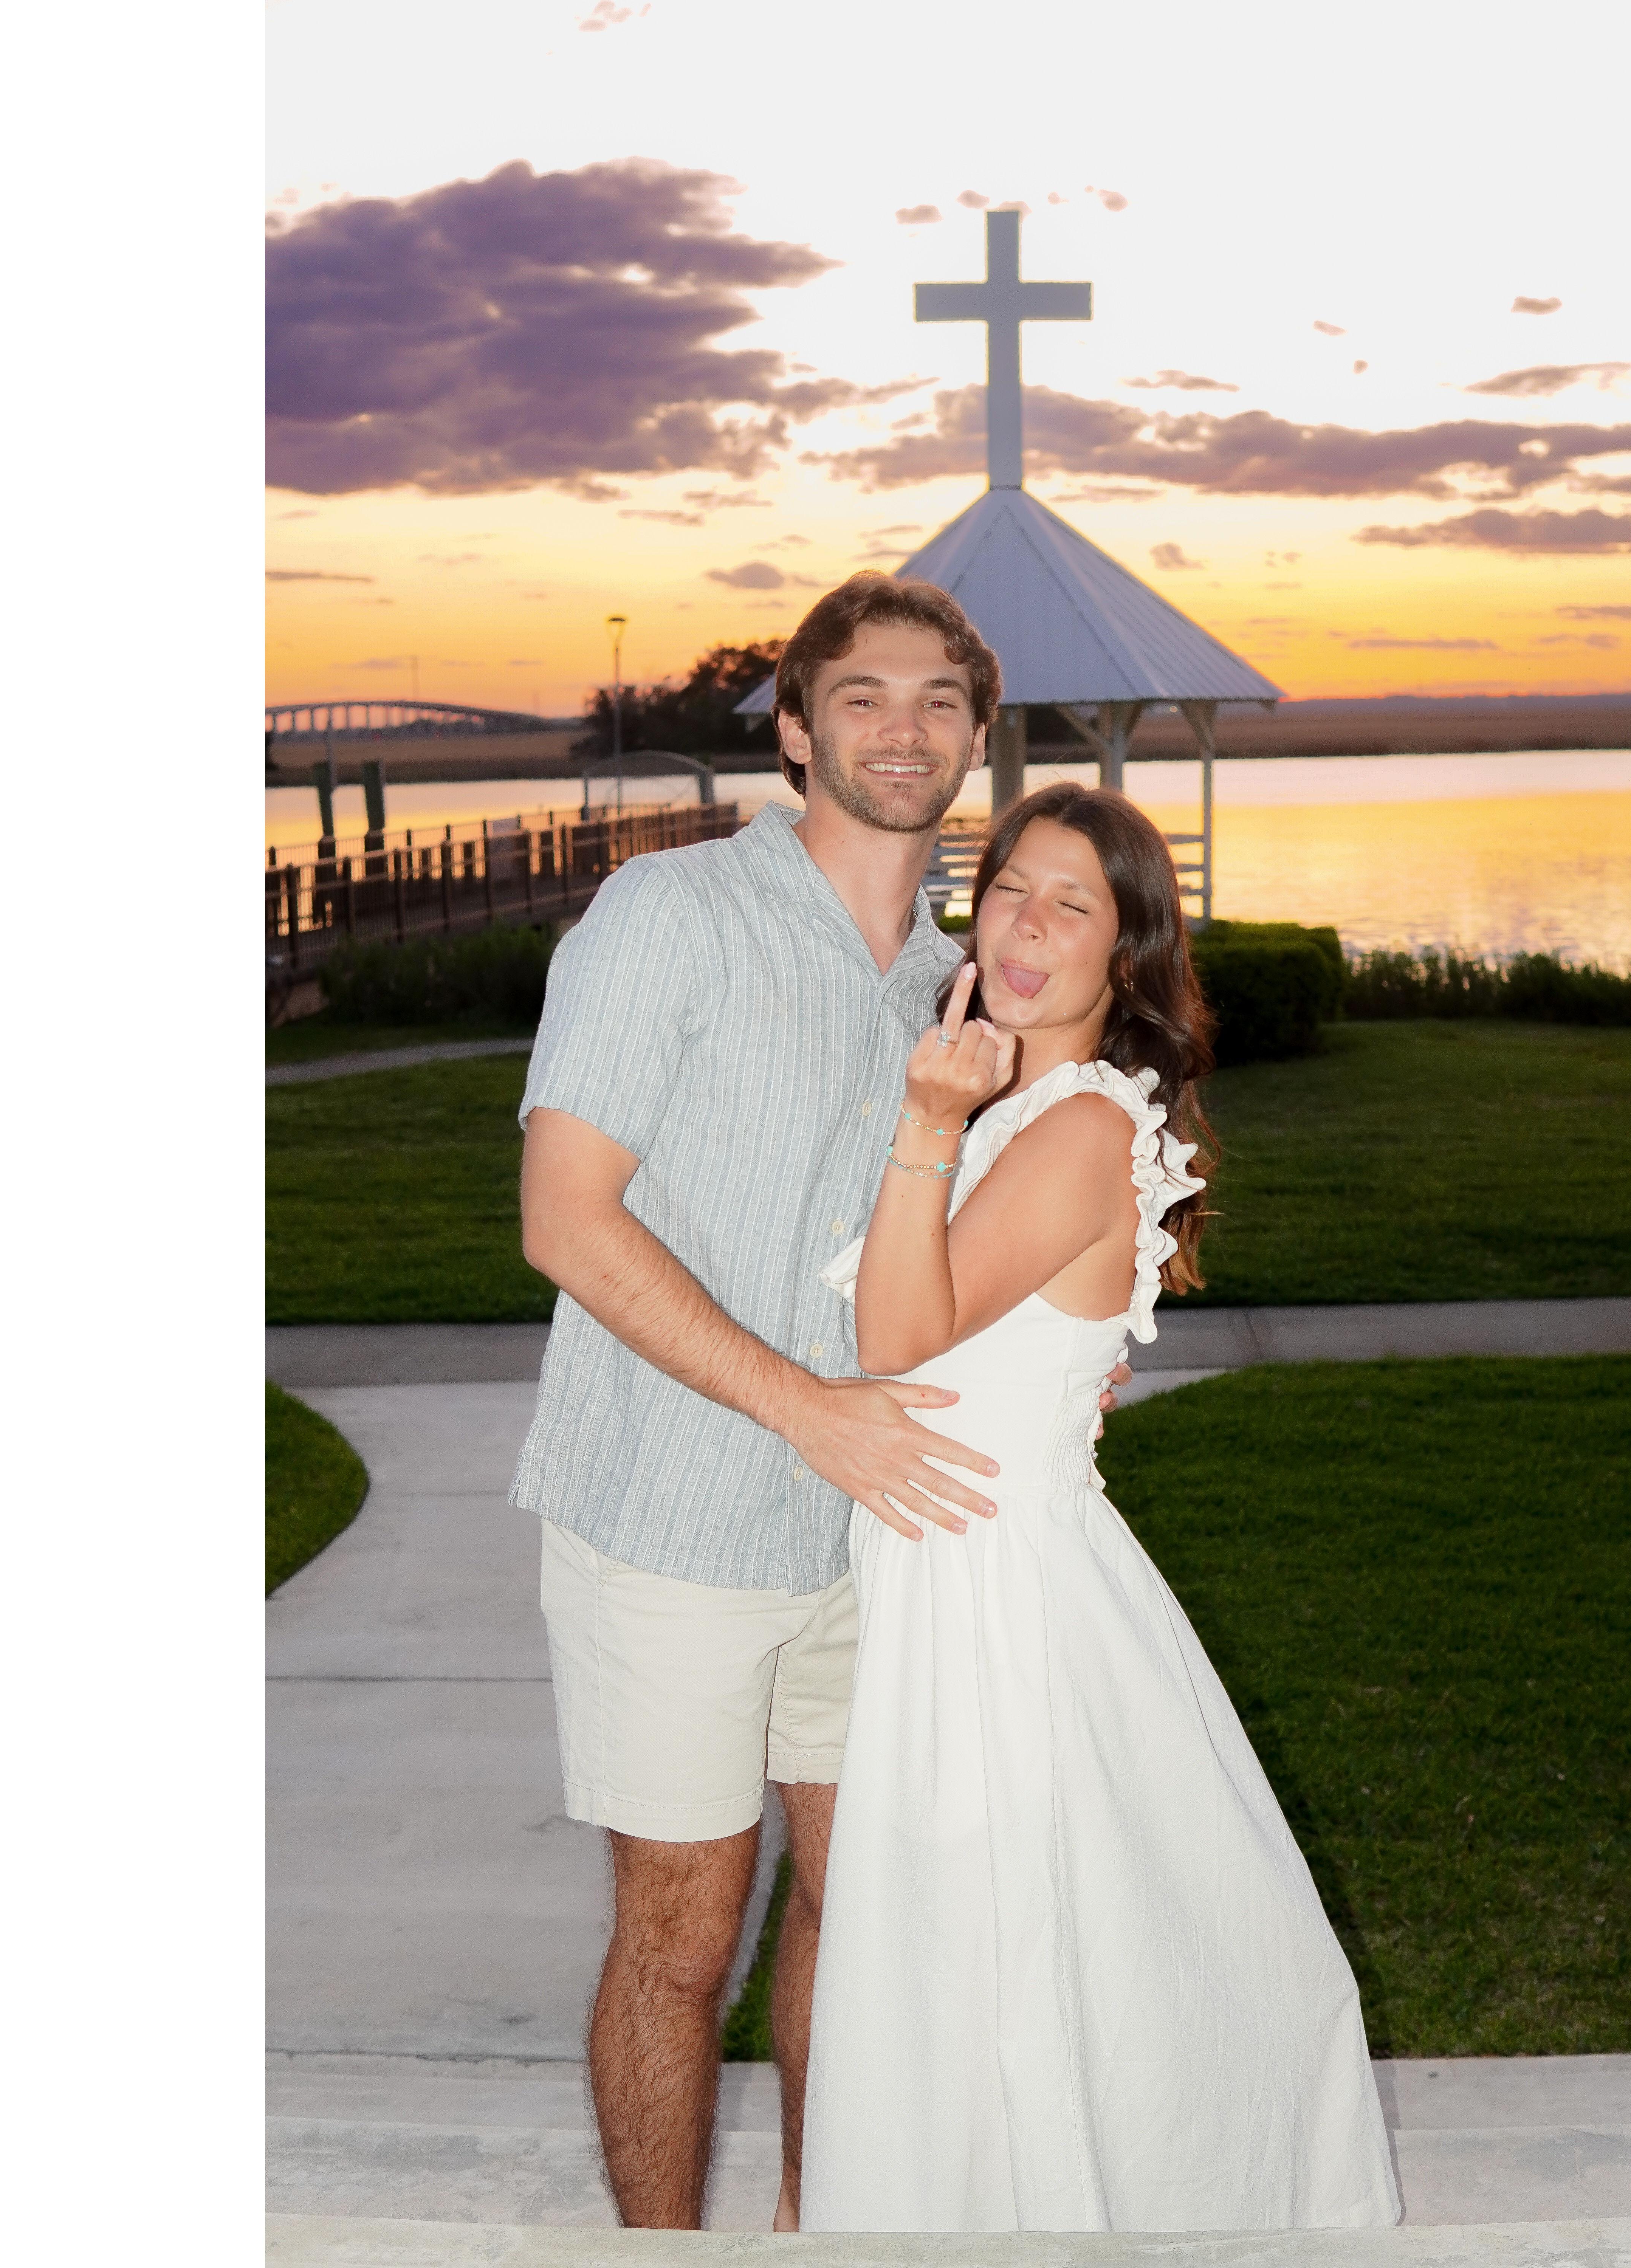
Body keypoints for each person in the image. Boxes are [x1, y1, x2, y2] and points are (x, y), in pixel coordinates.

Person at [511, 575, 1124, 2231]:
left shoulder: (960, 981)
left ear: (978, 739)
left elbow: (1012, 1213)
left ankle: (811, 2231)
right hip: (669, 1518)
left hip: (879, 1543)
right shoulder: (670, 917)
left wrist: (1074, 1349)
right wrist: (806, 1410)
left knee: (866, 1921)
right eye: (863, 697)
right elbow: (566, 1220)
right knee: (681, 1935)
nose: (903, 730)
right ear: (794, 729)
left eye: (940, 702)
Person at [801, 784, 1402, 2234]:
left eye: (1072, 906)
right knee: (988, 1960)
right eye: (1011, 888)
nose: (1026, 927)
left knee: (1008, 1957)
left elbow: (899, 1332)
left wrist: (924, 1120)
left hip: (998, 1599)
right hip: (958, 1566)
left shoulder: (1070, 1125)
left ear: (1125, 953)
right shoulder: (1020, 1109)